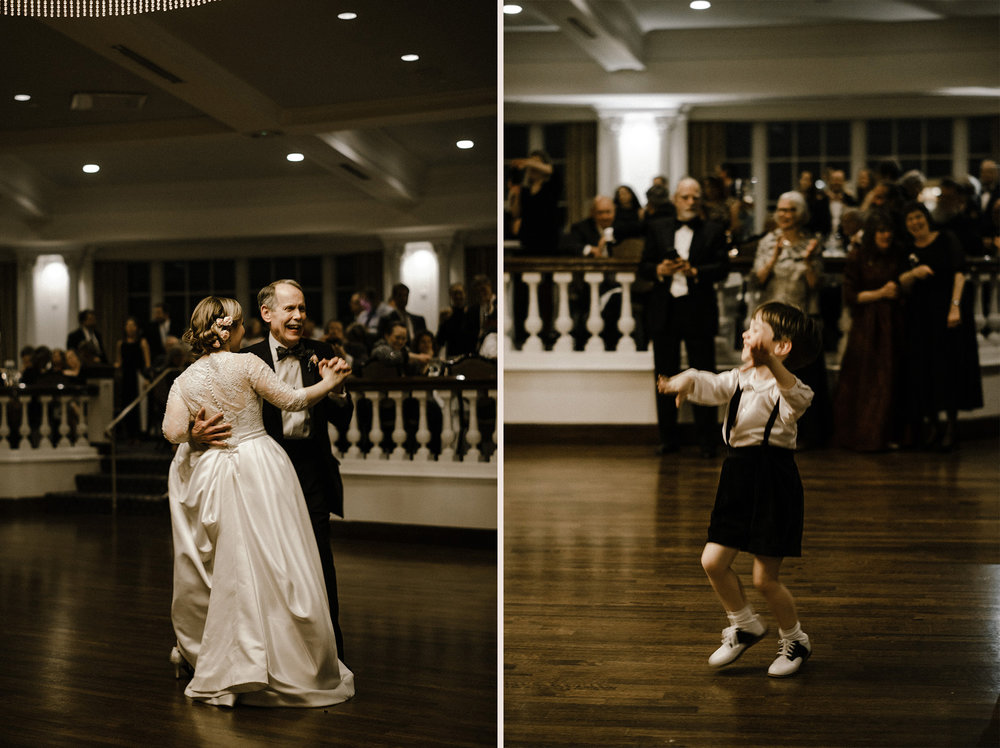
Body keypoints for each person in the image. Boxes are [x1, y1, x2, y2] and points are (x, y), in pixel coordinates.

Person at [162, 295, 355, 707]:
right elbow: (293, 400)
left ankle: (223, 654)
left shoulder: (184, 380)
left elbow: (171, 431)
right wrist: (329, 384)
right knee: (276, 560)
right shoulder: (248, 363)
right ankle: (282, 655)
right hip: (259, 468)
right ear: (230, 329)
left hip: (212, 474)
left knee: (226, 566)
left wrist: (196, 436)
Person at [657, 301, 821, 678]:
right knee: (713, 561)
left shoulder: (790, 388)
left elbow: (796, 398)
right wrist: (685, 380)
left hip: (774, 482)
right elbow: (711, 384)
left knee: (765, 578)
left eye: (755, 329)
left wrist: (773, 365)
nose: (746, 334)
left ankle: (795, 639)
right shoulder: (739, 378)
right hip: (736, 477)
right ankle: (744, 623)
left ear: (782, 347)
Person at [638, 177, 730, 457]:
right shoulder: (657, 228)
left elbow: (722, 269)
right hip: (664, 310)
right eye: (685, 197)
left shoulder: (714, 230)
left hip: (698, 309)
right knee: (664, 375)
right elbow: (642, 266)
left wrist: (695, 271)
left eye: (695, 197)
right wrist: (660, 270)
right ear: (676, 200)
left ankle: (707, 441)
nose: (690, 202)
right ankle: (668, 438)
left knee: (703, 374)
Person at [898, 202, 983, 450]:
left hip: (948, 313)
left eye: (918, 217)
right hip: (920, 317)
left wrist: (955, 306)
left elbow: (959, 272)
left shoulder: (947, 238)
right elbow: (901, 281)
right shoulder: (907, 249)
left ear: (926, 218)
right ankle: (933, 425)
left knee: (951, 367)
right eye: (910, 220)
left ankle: (952, 426)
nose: (915, 222)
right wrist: (915, 274)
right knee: (925, 370)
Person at [750, 191, 831, 448]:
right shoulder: (767, 241)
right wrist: (773, 256)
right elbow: (756, 279)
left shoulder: (812, 242)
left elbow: (817, 284)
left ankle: (809, 435)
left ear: (801, 214)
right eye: (781, 209)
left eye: (791, 210)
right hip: (774, 322)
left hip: (803, 320)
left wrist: (808, 262)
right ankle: (772, 432)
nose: (785, 214)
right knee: (773, 376)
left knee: (805, 378)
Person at [832, 210, 907, 451]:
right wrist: (880, 294)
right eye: (881, 231)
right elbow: (850, 295)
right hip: (867, 324)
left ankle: (888, 434)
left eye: (889, 231)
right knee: (864, 378)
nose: (886, 235)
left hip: (892, 323)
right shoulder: (858, 256)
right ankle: (861, 435)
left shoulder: (897, 254)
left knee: (890, 378)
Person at [507, 150, 562, 256]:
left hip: (547, 238)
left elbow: (553, 171)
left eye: (537, 163)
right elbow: (516, 214)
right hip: (528, 238)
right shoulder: (525, 190)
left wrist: (528, 162)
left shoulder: (551, 186)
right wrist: (516, 195)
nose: (533, 167)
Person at [114, 316, 152, 442]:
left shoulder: (142, 342)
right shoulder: (121, 344)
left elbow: (147, 363)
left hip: (138, 376)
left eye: (132, 325)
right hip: (126, 377)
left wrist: (147, 378)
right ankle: (128, 433)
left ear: (137, 328)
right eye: (127, 325)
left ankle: (139, 433)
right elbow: (119, 362)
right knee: (126, 403)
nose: (130, 328)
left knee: (139, 405)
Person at [436, 282, 478, 358]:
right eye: (455, 293)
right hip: (453, 357)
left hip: (471, 357)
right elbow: (440, 340)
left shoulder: (473, 313)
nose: (458, 296)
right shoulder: (447, 315)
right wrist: (441, 322)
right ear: (451, 296)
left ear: (465, 294)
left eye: (460, 293)